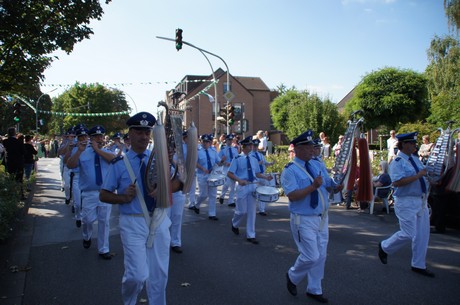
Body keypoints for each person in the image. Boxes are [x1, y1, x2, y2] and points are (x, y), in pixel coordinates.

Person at [100, 112, 171, 305]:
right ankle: (129, 302)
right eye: (139, 131)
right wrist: (123, 197)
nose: (144, 136)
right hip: (133, 221)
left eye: (147, 132)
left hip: (159, 219)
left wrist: (164, 188)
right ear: (129, 134)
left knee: (159, 276)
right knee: (137, 276)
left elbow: (179, 184)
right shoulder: (119, 162)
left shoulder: (160, 159)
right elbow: (103, 194)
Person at [282, 130, 342, 304]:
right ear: (298, 149)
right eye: (308, 147)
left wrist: (335, 187)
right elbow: (292, 195)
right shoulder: (290, 170)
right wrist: (313, 186)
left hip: (322, 217)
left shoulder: (316, 164)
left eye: (312, 147)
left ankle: (315, 289)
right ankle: (292, 276)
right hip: (303, 219)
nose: (312, 150)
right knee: (311, 256)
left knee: (321, 255)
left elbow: (327, 184)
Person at [378, 132, 434, 278]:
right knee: (409, 233)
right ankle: (385, 247)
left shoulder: (415, 159)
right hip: (406, 200)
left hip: (420, 200)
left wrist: (429, 179)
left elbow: (423, 175)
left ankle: (418, 264)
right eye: (412, 143)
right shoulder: (397, 162)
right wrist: (418, 176)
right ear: (404, 144)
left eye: (415, 144)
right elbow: (397, 183)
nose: (415, 146)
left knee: (422, 235)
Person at [67, 125, 115, 260]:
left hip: (105, 192)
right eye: (96, 137)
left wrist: (97, 150)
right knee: (87, 220)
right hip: (89, 193)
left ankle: (103, 249)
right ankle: (86, 236)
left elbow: (113, 160)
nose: (100, 139)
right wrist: (78, 152)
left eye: (101, 136)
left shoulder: (107, 151)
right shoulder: (82, 152)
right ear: (91, 138)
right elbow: (70, 165)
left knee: (104, 221)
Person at [227, 136, 271, 244]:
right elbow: (229, 173)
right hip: (242, 186)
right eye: (249, 145)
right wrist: (239, 180)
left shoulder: (254, 159)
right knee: (241, 211)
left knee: (252, 211)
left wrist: (266, 177)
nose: (251, 147)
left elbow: (256, 173)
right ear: (243, 146)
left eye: (252, 145)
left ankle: (251, 235)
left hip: (252, 186)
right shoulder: (237, 159)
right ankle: (235, 224)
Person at [188, 134, 224, 220]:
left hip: (212, 175)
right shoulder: (197, 151)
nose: (205, 143)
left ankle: (212, 214)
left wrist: (222, 161)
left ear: (210, 142)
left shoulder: (213, 150)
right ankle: (197, 204)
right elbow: (194, 162)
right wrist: (203, 168)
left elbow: (218, 162)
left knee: (213, 194)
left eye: (207, 142)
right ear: (201, 142)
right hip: (202, 174)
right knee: (203, 194)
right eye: (204, 141)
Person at [250, 138, 275, 216]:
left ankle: (262, 210)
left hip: (262, 175)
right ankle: (251, 209)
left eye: (256, 146)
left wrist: (271, 163)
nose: (255, 147)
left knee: (262, 192)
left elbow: (265, 163)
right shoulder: (250, 155)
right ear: (251, 146)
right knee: (253, 192)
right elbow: (250, 165)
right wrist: (258, 163)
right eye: (254, 146)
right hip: (254, 176)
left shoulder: (260, 155)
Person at [3, 127, 25, 199]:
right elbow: (23, 152)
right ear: (15, 133)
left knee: (10, 178)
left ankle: (11, 194)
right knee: (19, 179)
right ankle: (21, 194)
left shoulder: (5, 141)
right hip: (18, 162)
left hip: (9, 162)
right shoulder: (19, 142)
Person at [218, 134, 239, 207]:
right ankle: (222, 195)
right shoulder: (223, 150)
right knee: (226, 183)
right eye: (228, 140)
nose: (230, 142)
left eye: (231, 140)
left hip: (233, 169)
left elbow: (237, 159)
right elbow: (218, 161)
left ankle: (231, 201)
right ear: (226, 141)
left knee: (233, 185)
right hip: (226, 169)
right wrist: (224, 162)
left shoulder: (235, 149)